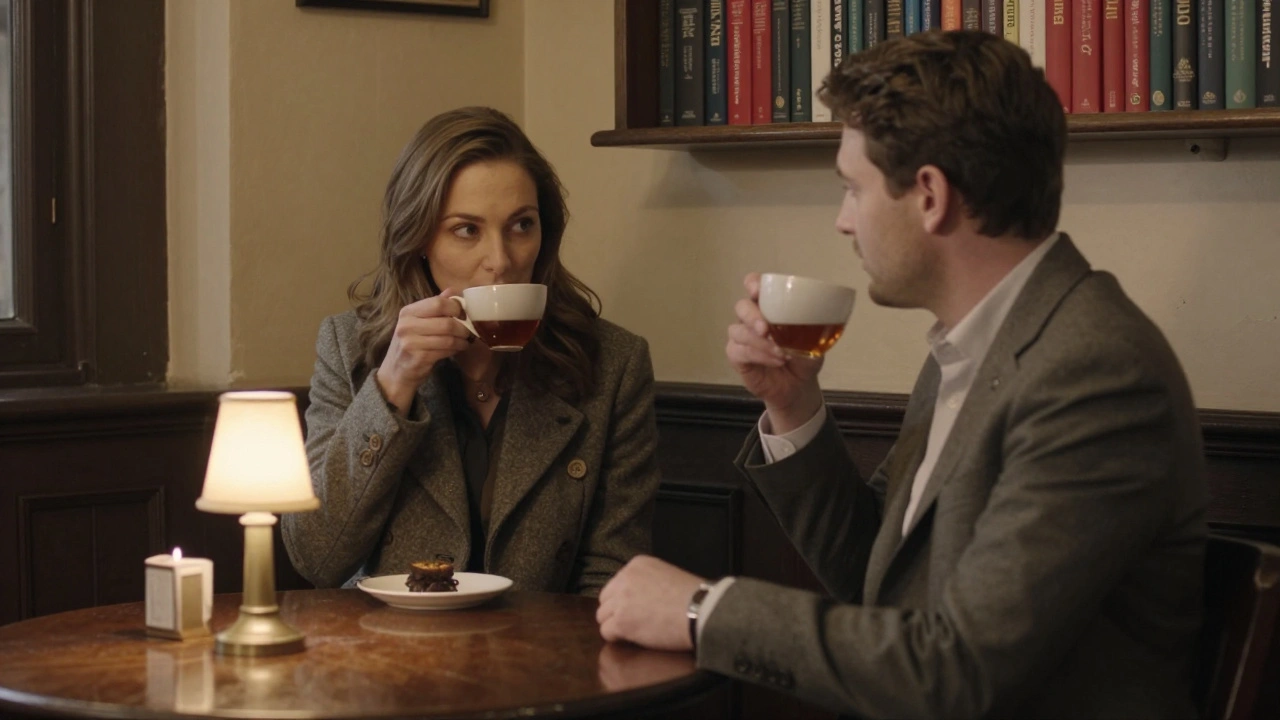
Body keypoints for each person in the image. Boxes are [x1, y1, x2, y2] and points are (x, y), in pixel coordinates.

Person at [596, 31, 1208, 718]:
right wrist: (793, 406)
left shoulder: (1096, 374)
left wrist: (703, 611)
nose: (843, 222)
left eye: (852, 190)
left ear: (929, 196)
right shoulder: (977, 346)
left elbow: (960, 671)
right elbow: (876, 582)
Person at [283, 107, 661, 597]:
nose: (500, 261)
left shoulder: (612, 363)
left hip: (541, 657)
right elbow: (317, 558)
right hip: (388, 654)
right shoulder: (350, 347)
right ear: (419, 238)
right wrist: (393, 386)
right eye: (467, 230)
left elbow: (611, 575)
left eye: (521, 225)